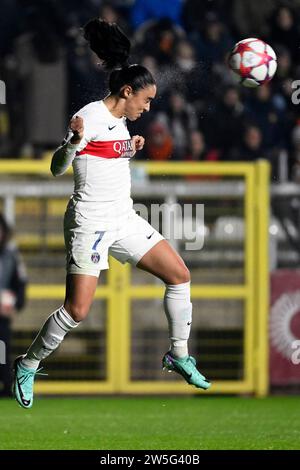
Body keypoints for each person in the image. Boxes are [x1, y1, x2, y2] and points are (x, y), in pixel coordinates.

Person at [12, 18, 211, 409]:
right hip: (90, 222)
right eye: (146, 101)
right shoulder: (90, 117)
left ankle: (178, 354)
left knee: (179, 275)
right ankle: (27, 363)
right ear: (126, 92)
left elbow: (107, 156)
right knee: (77, 310)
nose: (148, 107)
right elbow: (57, 167)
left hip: (123, 218)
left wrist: (130, 147)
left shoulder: (119, 122)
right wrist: (72, 142)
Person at [0, 214, 27, 397]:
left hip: (2, 316)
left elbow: (20, 284)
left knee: (2, 348)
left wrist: (15, 304)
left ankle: (6, 385)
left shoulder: (11, 256)